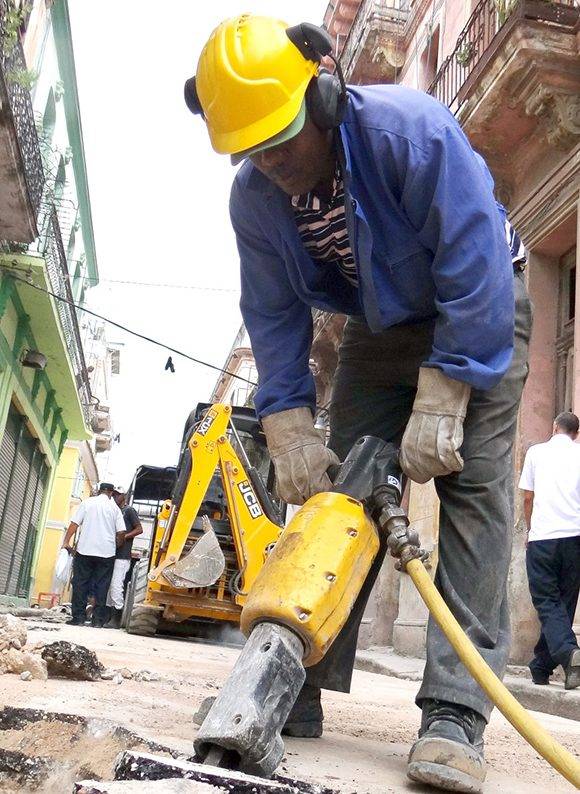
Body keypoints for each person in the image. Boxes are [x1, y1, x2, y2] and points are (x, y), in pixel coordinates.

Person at [184, 16, 532, 792]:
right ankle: (292, 684)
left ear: (324, 95)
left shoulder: (410, 133)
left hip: (482, 307)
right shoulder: (255, 201)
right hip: (382, 326)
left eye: (280, 138)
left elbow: (476, 256)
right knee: (342, 496)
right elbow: (272, 312)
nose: (270, 161)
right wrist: (287, 421)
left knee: (472, 491)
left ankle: (455, 716)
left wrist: (449, 386)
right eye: (251, 149)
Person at [519, 412, 580, 690]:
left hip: (543, 537)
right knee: (563, 603)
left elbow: (528, 497)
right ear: (576, 434)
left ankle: (568, 653)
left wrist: (530, 529)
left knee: (546, 601)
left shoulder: (536, 453)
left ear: (554, 427)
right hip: (575, 538)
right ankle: (541, 666)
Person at [62, 482, 125, 628]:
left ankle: (78, 618)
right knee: (102, 586)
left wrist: (66, 541)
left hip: (85, 550)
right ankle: (97, 621)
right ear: (111, 493)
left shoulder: (87, 503)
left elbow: (74, 523)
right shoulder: (115, 509)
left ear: (98, 491)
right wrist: (116, 545)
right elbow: (121, 532)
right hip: (106, 553)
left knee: (80, 583)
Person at [104, 488, 143, 629]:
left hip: (122, 555)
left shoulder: (129, 511)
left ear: (124, 496)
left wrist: (124, 537)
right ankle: (107, 617)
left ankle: (116, 616)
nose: (115, 497)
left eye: (117, 495)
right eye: (113, 494)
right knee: (109, 586)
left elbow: (139, 529)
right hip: (110, 553)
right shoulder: (113, 511)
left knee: (116, 585)